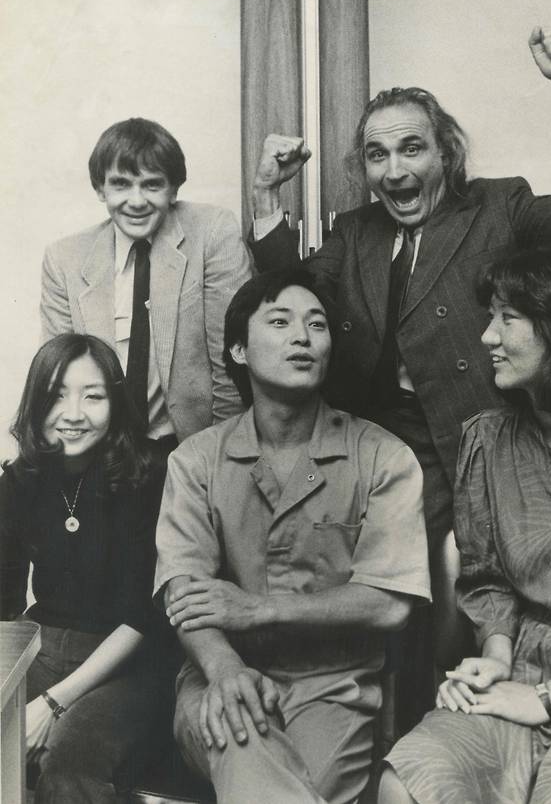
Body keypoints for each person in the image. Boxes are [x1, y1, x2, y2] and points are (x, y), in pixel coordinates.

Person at [247, 26, 551, 730]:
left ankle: (505, 723)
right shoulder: (357, 231)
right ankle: (401, 741)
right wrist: (266, 196)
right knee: (389, 594)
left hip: (494, 439)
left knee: (484, 591)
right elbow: (296, 296)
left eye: (411, 148)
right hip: (389, 445)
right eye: (377, 155)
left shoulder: (499, 206)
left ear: (445, 155)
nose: (394, 169)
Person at [379, 245, 551, 804]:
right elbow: (487, 579)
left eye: (507, 318)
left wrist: (549, 699)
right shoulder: (486, 440)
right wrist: (497, 657)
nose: (487, 337)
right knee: (404, 783)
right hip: (522, 670)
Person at [153, 269, 431, 804]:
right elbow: (184, 595)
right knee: (240, 735)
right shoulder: (196, 461)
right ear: (238, 349)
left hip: (334, 686)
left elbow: (390, 605)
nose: (303, 337)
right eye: (280, 322)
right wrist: (225, 668)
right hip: (221, 672)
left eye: (317, 325)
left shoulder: (383, 457)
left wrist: (258, 609)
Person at [0, 334, 175, 803]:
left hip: (128, 663)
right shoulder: (18, 480)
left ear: (115, 404)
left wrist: (52, 702)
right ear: (36, 403)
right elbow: (4, 605)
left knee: (69, 766)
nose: (73, 413)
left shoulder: (149, 475)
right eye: (57, 395)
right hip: (42, 648)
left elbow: (143, 617)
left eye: (93, 396)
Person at [40, 117, 252, 453]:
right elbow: (58, 380)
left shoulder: (212, 232)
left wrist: (219, 461)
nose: (136, 201)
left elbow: (231, 367)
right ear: (100, 189)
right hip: (101, 453)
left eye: (152, 185)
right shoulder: (64, 259)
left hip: (193, 449)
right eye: (121, 184)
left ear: (174, 189)